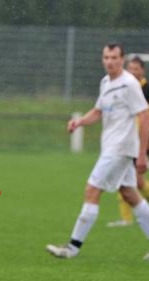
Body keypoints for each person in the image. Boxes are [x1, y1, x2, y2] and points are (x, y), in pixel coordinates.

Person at [47, 43, 149, 260]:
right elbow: (98, 111)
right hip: (112, 148)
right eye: (106, 57)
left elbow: (144, 116)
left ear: (122, 59)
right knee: (130, 194)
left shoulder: (129, 84)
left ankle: (72, 248)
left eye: (114, 57)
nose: (110, 61)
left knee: (91, 190)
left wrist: (142, 154)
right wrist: (79, 122)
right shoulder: (105, 82)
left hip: (120, 149)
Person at [107, 55, 149, 227]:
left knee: (133, 180)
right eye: (130, 68)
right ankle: (126, 219)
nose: (132, 72)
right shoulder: (126, 86)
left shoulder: (145, 89)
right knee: (127, 178)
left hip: (144, 139)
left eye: (136, 69)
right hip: (131, 140)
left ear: (142, 70)